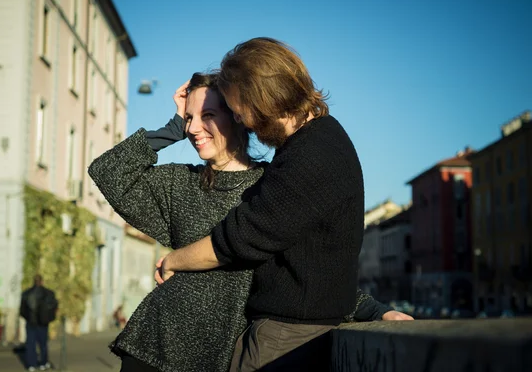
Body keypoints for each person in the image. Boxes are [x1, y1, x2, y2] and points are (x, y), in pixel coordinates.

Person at [89, 73, 411, 372]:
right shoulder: (179, 184)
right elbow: (108, 172)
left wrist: (376, 311)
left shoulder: (273, 185)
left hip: (218, 359)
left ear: (238, 116)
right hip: (153, 347)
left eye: (208, 115)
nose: (193, 128)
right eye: (189, 118)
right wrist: (171, 128)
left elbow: (308, 275)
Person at [20, 274, 58, 372]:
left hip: (31, 323)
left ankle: (31, 365)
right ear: (42, 281)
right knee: (43, 344)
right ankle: (43, 363)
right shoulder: (49, 293)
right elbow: (54, 308)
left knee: (30, 344)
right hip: (42, 324)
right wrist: (48, 319)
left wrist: (28, 318)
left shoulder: (26, 293)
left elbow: (22, 310)